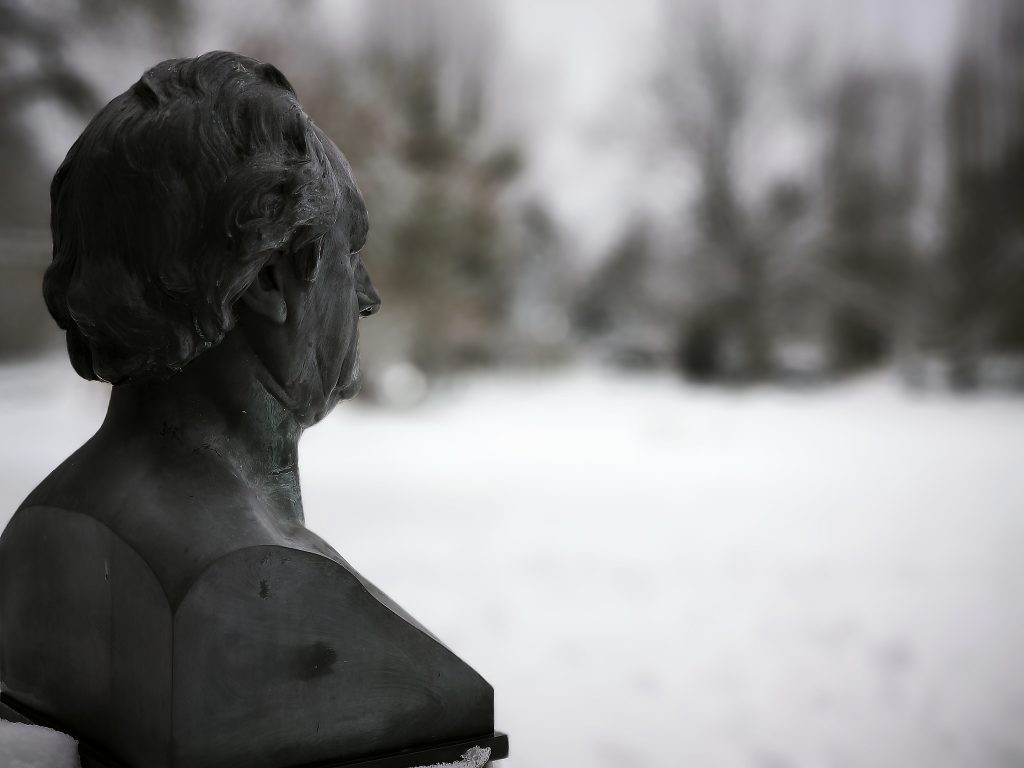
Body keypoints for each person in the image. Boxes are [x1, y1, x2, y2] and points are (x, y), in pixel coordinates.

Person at [0, 52, 497, 768]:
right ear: (268, 278)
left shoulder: (40, 527)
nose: (366, 296)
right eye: (348, 253)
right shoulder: (250, 587)